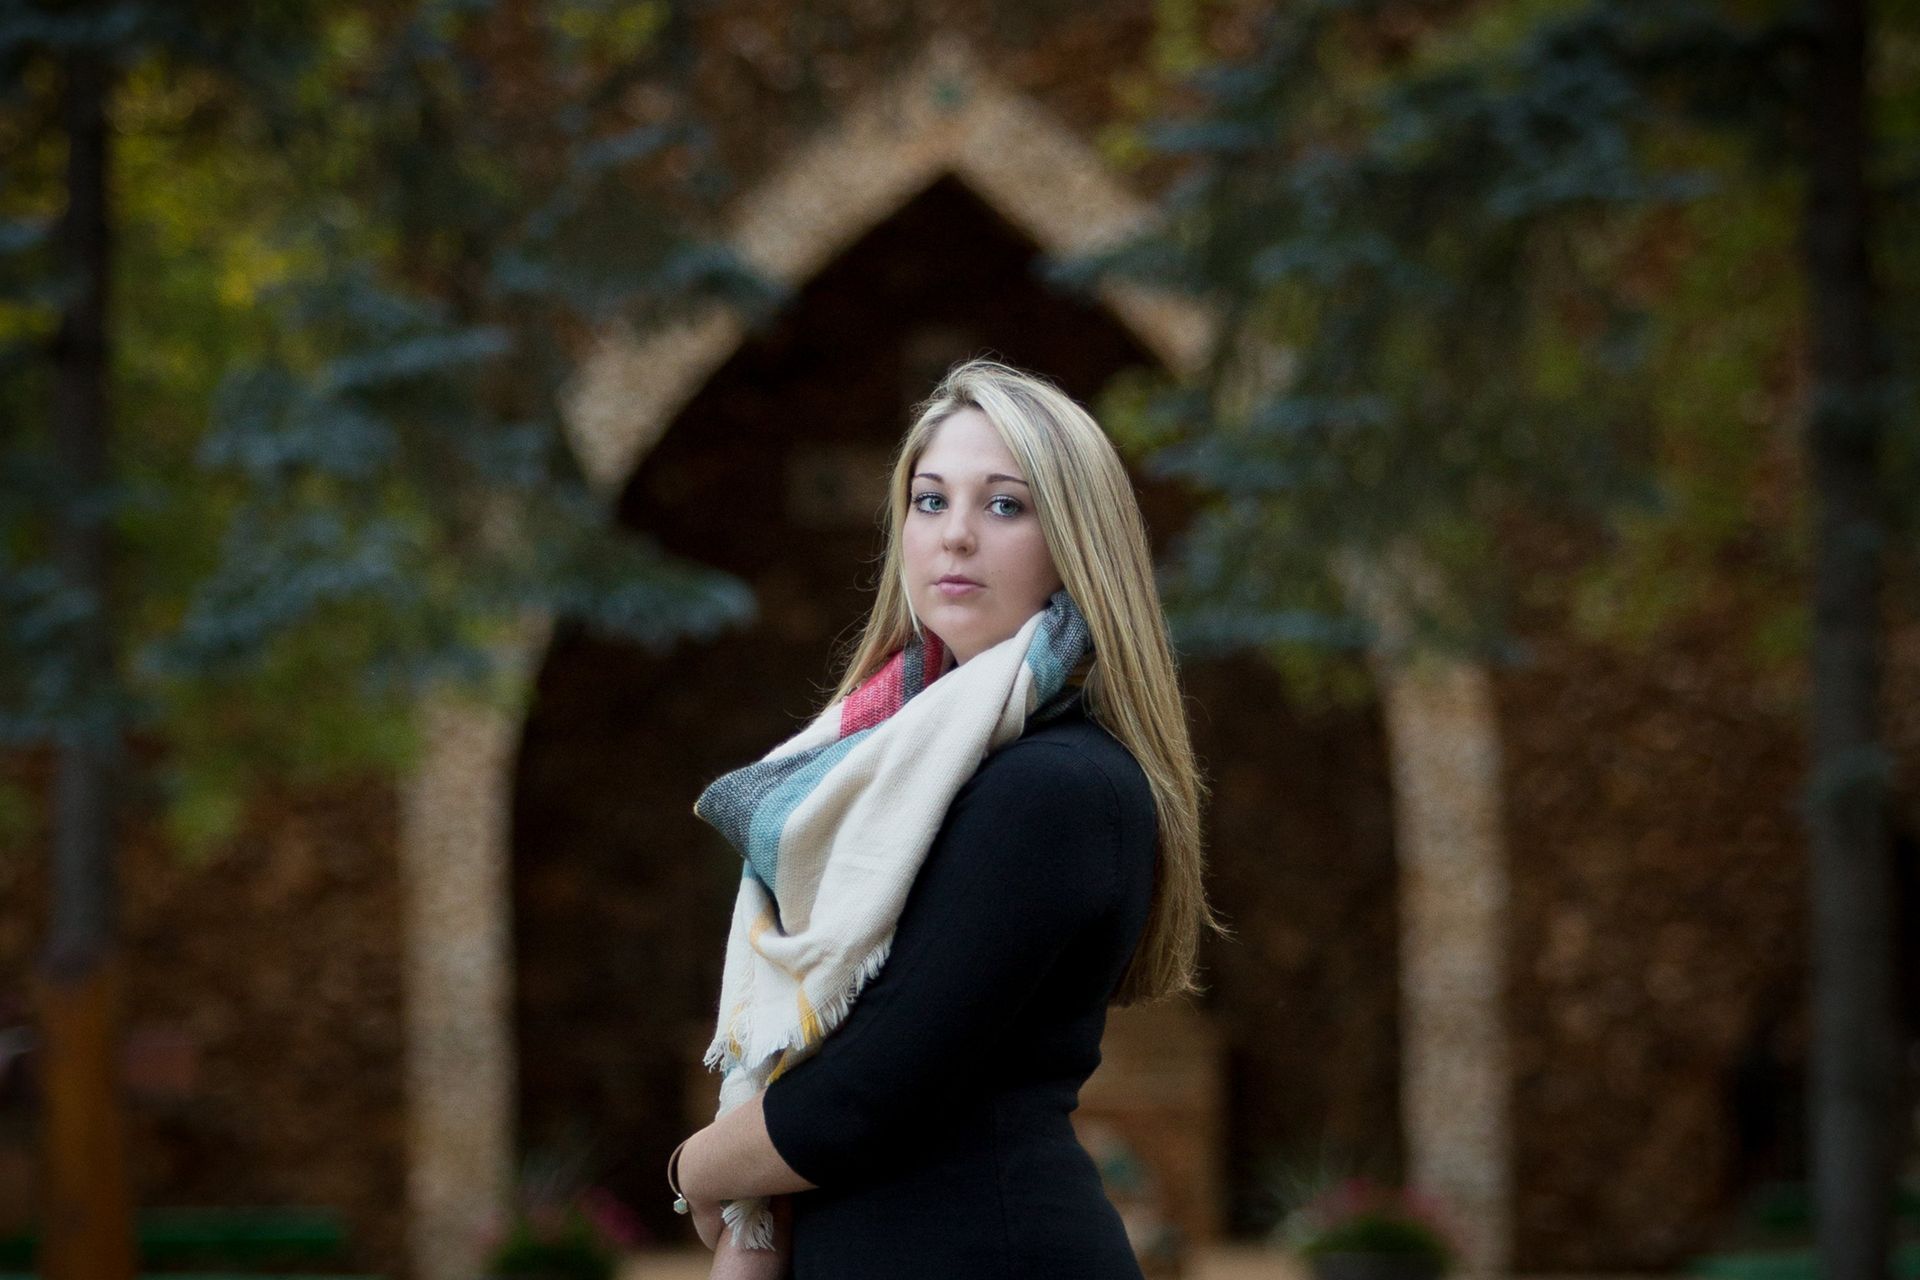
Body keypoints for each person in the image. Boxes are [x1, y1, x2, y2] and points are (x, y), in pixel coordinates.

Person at [669, 357, 1224, 1280]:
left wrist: (698, 1167)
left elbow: (865, 1091)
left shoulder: (1056, 787)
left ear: (1076, 543)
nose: (955, 537)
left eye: (1005, 506)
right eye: (931, 502)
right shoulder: (886, 764)